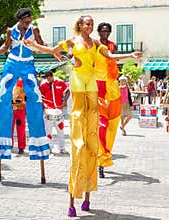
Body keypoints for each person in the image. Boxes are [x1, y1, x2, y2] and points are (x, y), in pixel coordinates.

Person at [24, 15, 142, 217]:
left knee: (91, 137)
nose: (90, 26)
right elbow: (52, 51)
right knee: (78, 141)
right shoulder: (72, 41)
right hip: (78, 84)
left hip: (92, 86)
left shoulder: (95, 43)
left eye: (92, 24)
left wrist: (130, 55)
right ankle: (74, 195)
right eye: (87, 24)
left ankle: (87, 191)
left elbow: (110, 56)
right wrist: (34, 45)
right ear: (80, 25)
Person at [0, 8, 50, 163]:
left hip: (27, 64)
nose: (28, 24)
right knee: (2, 96)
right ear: (20, 20)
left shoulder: (34, 30)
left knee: (35, 96)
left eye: (29, 22)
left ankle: (38, 142)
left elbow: (41, 44)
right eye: (26, 22)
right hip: (12, 63)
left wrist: (54, 51)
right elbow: (6, 47)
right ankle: (2, 143)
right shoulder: (10, 31)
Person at [94, 22, 122, 178]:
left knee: (112, 125)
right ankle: (100, 160)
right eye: (103, 31)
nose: (106, 33)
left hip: (112, 85)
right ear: (99, 32)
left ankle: (105, 156)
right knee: (102, 125)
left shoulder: (113, 45)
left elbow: (114, 61)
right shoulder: (94, 44)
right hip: (98, 86)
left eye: (108, 31)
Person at [40, 70, 69, 154]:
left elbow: (67, 91)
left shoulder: (60, 82)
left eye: (49, 78)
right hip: (48, 111)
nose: (48, 80)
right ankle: (49, 148)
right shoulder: (43, 84)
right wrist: (44, 107)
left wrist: (65, 102)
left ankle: (62, 148)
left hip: (58, 110)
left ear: (52, 76)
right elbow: (41, 97)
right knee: (48, 131)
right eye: (47, 78)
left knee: (60, 130)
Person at [11, 78, 26, 154]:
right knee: (10, 127)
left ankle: (21, 146)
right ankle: (10, 145)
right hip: (11, 107)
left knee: (20, 127)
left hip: (20, 107)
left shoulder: (21, 79)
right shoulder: (9, 79)